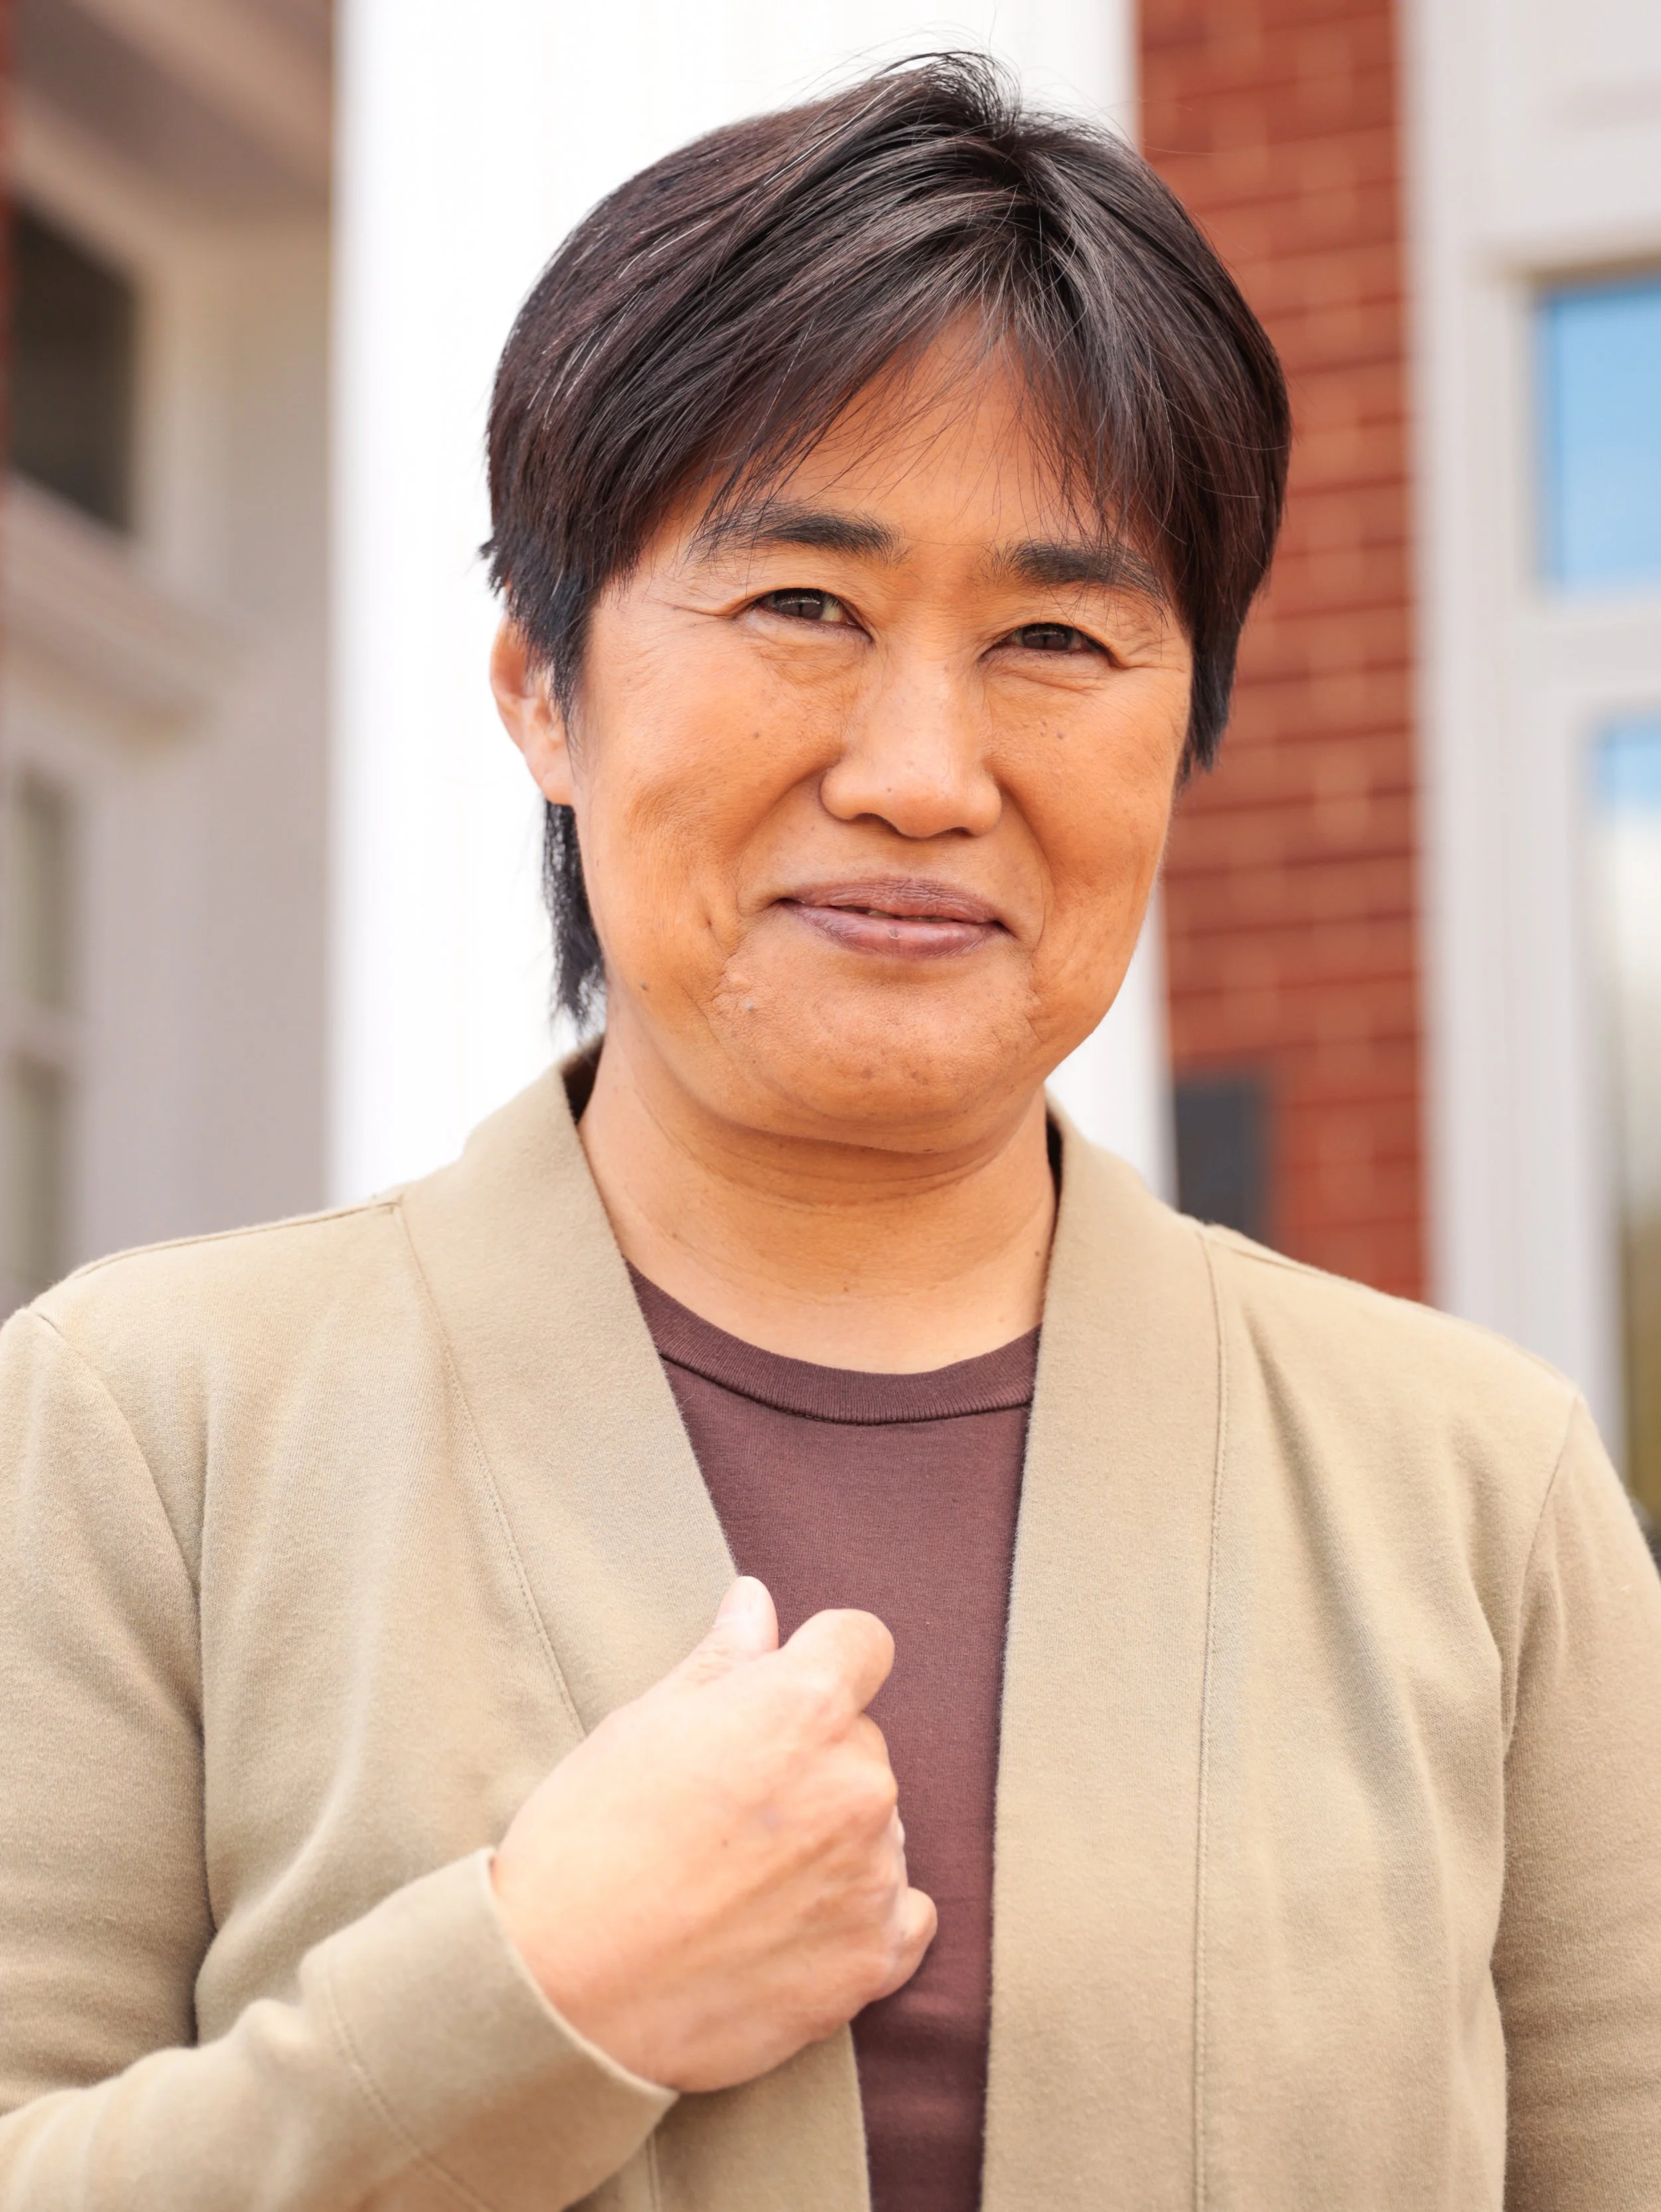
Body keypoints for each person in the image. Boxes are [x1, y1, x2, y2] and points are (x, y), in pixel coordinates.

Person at [1, 55, 1657, 2212]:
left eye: (1055, 637)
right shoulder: (146, 1431)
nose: (920, 774)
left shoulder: (1475, 1494)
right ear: (541, 687)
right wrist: (531, 1995)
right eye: (802, 605)